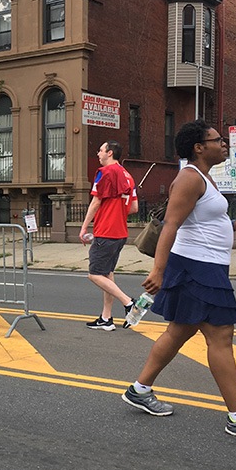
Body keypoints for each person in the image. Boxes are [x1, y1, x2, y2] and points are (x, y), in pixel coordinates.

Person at [120, 119, 236, 441]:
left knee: (179, 331)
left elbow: (206, 218)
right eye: (216, 140)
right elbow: (171, 225)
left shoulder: (204, 177)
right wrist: (159, 271)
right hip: (198, 268)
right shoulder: (189, 178)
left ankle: (140, 389)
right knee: (221, 337)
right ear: (199, 147)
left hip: (203, 265)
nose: (223, 144)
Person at [80, 140, 138, 331]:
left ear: (110, 153)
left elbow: (96, 201)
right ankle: (106, 318)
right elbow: (134, 208)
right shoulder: (128, 176)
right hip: (120, 233)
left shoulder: (105, 173)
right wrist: (117, 211)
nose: (98, 153)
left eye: (101, 150)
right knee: (107, 274)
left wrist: (84, 227)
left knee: (94, 274)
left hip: (105, 231)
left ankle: (129, 303)